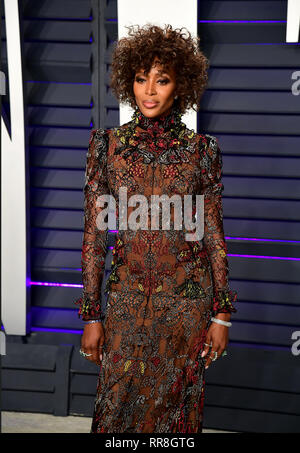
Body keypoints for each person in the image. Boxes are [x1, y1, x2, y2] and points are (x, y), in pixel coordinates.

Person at [75, 24, 237, 433]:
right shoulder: (106, 147)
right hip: (128, 307)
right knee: (115, 420)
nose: (149, 90)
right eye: (141, 78)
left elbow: (213, 234)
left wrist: (221, 315)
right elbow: (95, 238)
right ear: (129, 81)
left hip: (186, 308)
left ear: (179, 84)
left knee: (176, 421)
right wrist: (92, 314)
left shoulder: (202, 152)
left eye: (161, 80)